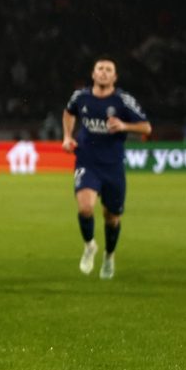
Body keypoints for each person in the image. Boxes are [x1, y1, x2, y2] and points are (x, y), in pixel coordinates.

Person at [62, 57, 151, 280]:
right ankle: (89, 245)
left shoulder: (123, 101)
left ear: (115, 77)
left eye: (108, 69)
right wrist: (66, 136)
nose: (103, 72)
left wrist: (124, 125)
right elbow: (68, 112)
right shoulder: (80, 97)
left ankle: (109, 256)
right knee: (85, 208)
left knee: (111, 218)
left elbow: (146, 127)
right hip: (86, 161)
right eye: (100, 69)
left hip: (112, 166)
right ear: (93, 74)